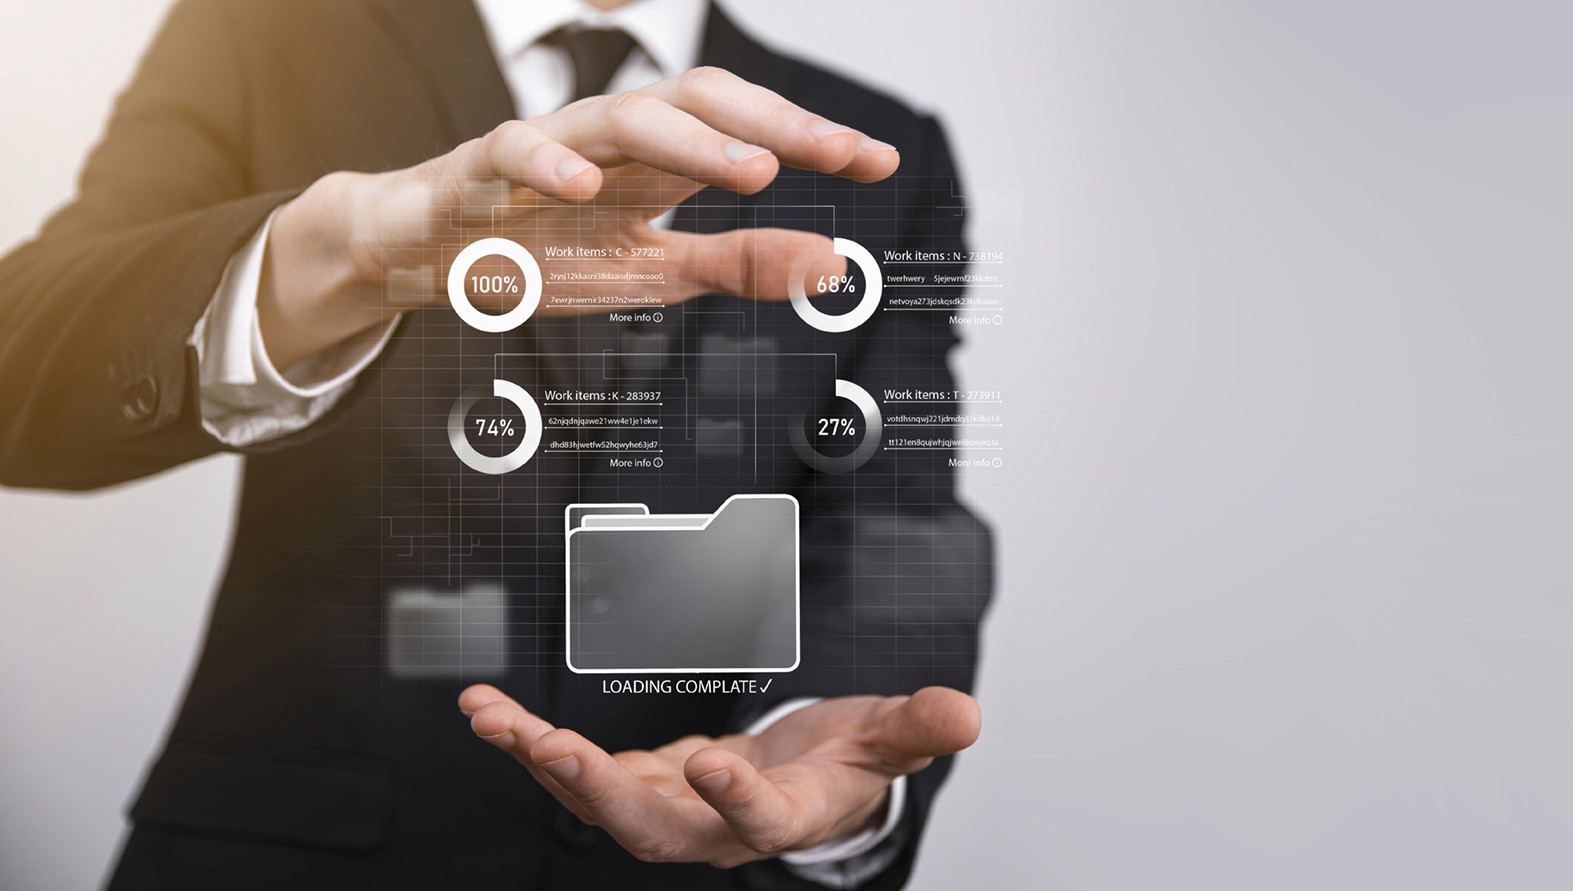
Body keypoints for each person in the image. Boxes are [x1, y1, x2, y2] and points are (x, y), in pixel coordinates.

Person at [0, 0, 993, 888]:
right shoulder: (267, 27)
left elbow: (893, 514)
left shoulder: (873, 150)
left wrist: (810, 742)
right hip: (290, 850)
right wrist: (340, 258)